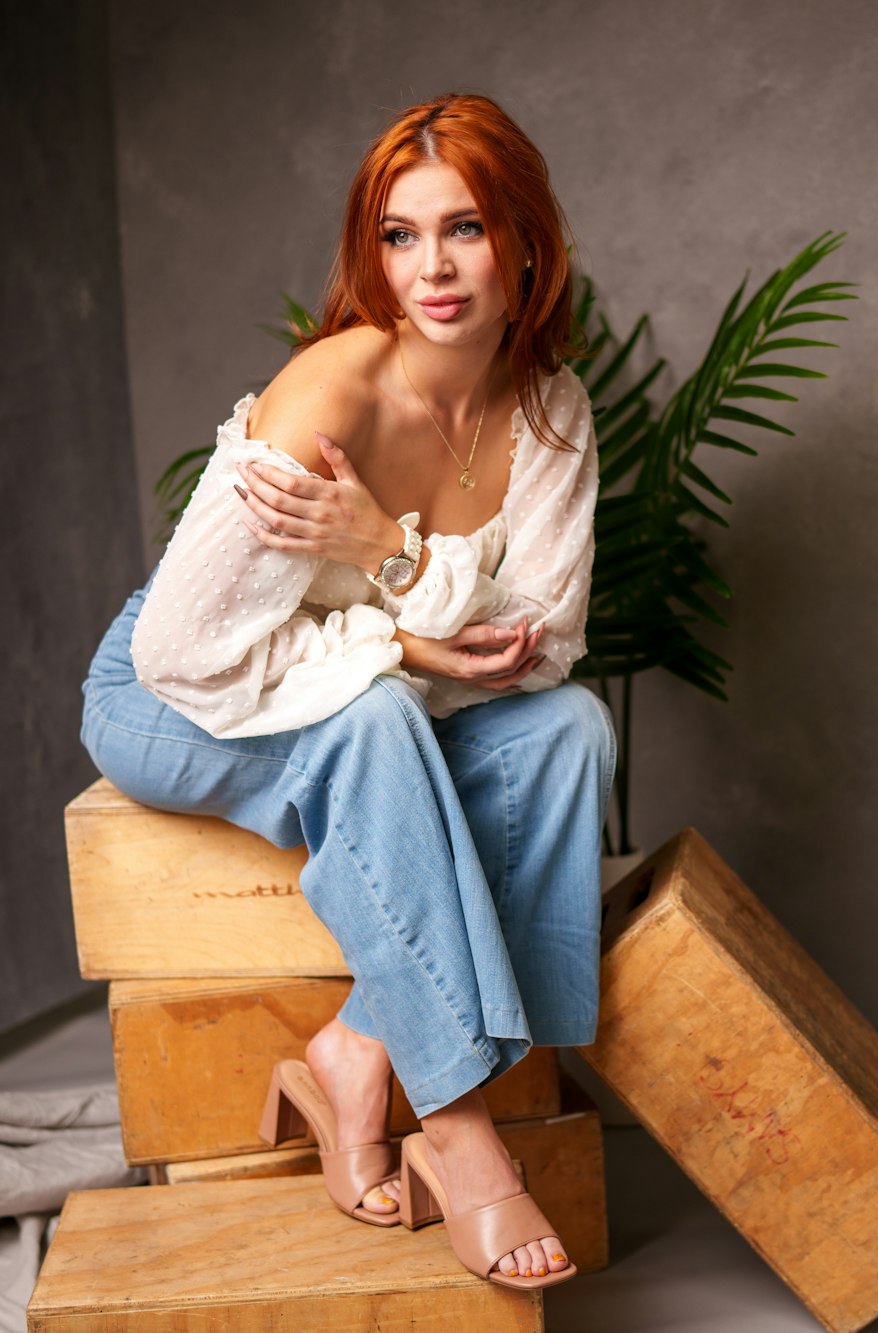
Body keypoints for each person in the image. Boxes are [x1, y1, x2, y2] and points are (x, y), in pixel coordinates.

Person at [81, 92, 616, 1292]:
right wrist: (408, 646)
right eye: (399, 234)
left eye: (465, 228)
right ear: (370, 250)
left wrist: (384, 551)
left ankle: (359, 1038)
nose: (431, 267)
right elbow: (184, 651)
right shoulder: (330, 394)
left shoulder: (552, 413)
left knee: (568, 734)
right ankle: (463, 1126)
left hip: (349, 690)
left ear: (526, 239)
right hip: (172, 695)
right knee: (371, 714)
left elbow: (543, 645)